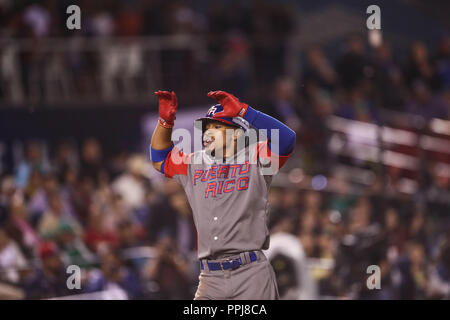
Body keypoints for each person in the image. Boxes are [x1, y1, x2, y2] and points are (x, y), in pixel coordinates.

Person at [150, 90, 296, 300]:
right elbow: (159, 158)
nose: (208, 132)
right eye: (206, 127)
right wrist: (165, 122)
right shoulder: (194, 162)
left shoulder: (256, 157)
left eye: (217, 127)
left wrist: (245, 112)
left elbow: (287, 140)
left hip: (250, 274)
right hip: (210, 277)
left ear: (237, 133)